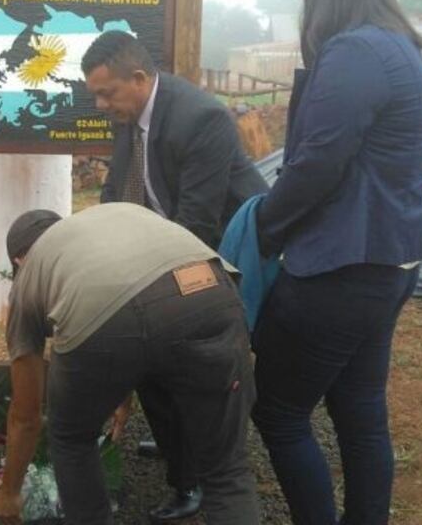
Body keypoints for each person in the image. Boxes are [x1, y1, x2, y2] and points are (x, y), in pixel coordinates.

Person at [251, 0, 422, 525]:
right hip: (390, 260)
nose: (305, 5)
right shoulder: (401, 48)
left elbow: (315, 164)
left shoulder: (355, 52)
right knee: (359, 410)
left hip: (341, 267)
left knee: (277, 411)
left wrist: (262, 228)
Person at [82, 30, 268, 520]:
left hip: (223, 252)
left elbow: (197, 223)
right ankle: (179, 448)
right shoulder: (129, 115)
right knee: (149, 353)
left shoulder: (200, 117)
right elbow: (116, 190)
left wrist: (142, 285)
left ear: (138, 79)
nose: (101, 105)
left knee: (181, 354)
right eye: (95, 95)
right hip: (168, 243)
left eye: (107, 93)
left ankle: (196, 474)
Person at [0, 204, 260, 525]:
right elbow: (139, 298)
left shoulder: (30, 273)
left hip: (111, 318)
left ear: (19, 259)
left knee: (72, 438)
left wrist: (9, 492)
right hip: (212, 289)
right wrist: (121, 396)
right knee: (226, 470)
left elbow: (26, 414)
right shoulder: (109, 219)